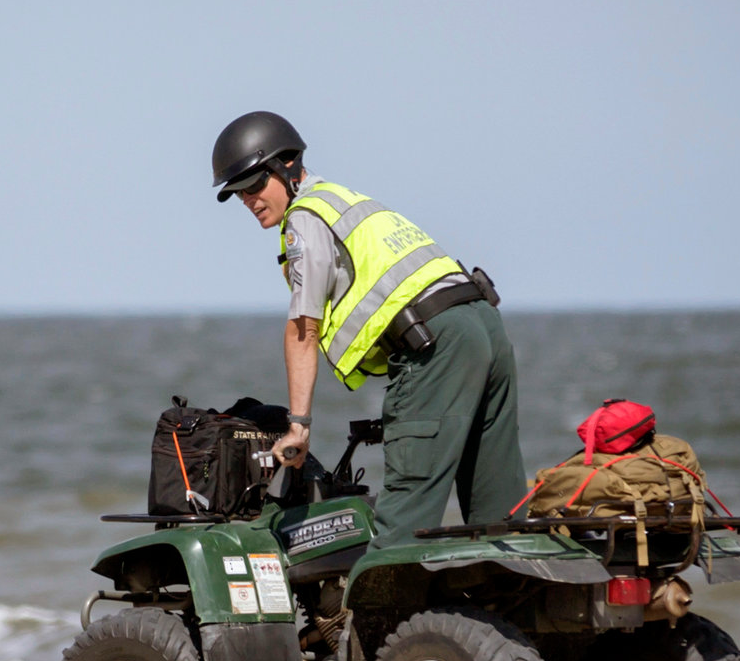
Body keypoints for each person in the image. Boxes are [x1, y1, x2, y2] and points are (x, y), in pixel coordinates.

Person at [211, 111, 526, 548]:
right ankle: (507, 602)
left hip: (434, 342)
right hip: (484, 326)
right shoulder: (347, 200)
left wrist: (298, 426)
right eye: (237, 192)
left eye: (253, 185)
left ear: (285, 167)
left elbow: (303, 327)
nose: (247, 199)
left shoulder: (303, 219)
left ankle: (380, 617)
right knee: (500, 512)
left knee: (403, 521)